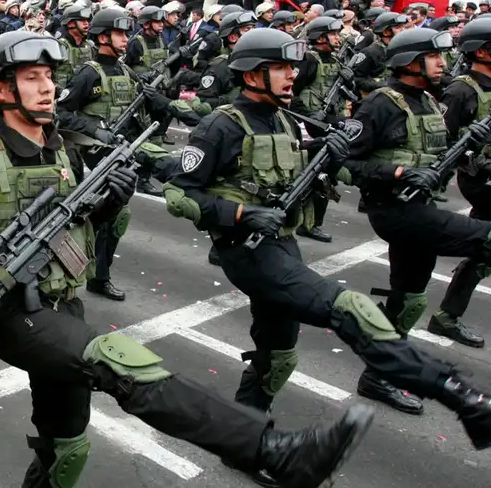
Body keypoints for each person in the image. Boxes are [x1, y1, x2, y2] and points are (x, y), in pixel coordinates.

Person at [0, 30, 375, 488]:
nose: (47, 88)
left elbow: (76, 232)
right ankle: (272, 450)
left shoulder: (59, 149)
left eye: (48, 77)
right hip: (8, 313)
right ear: (0, 90)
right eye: (31, 78)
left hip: (62, 305)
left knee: (67, 447)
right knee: (124, 366)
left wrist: (109, 202)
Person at [163, 29, 491, 479]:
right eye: (280, 68)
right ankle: (458, 395)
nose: (290, 75)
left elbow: (326, 168)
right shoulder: (221, 124)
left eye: (290, 68)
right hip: (248, 252)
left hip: (282, 244)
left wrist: (325, 153)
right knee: (349, 307)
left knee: (278, 354)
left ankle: (244, 441)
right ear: (252, 73)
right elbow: (180, 194)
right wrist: (239, 214)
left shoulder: (282, 118)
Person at [346, 27, 491, 415]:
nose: (443, 63)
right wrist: (398, 174)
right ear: (411, 62)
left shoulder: (427, 100)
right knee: (485, 238)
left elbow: (440, 153)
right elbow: (347, 161)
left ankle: (378, 375)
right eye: (434, 56)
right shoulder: (380, 103)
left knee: (409, 297)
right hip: (396, 212)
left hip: (419, 210)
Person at [56, 8, 178, 300]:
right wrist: (95, 130)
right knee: (109, 216)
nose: (126, 39)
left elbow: (139, 112)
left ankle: (98, 273)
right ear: (102, 37)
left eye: (126, 33)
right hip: (96, 153)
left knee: (114, 219)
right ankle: (90, 274)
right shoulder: (88, 74)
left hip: (123, 150)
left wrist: (156, 101)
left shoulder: (126, 71)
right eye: (120, 33)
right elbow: (60, 112)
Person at [418, 18, 491, 347]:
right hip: (481, 179)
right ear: (483, 51)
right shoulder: (461, 90)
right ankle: (447, 316)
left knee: (483, 252)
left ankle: (448, 316)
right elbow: (441, 142)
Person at [291, 16, 357, 243]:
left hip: (330, 123)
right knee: (309, 174)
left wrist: (350, 80)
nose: (337, 38)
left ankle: (312, 224)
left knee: (325, 176)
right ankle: (301, 222)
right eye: (333, 34)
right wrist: (308, 115)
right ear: (320, 37)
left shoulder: (337, 62)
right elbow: (291, 92)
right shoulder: (308, 60)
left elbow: (348, 93)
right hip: (310, 124)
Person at [351, 11, 409, 99]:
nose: (403, 30)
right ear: (386, 32)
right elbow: (356, 79)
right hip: (374, 99)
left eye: (403, 26)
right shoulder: (371, 52)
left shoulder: (401, 50)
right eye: (398, 27)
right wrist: (381, 85)